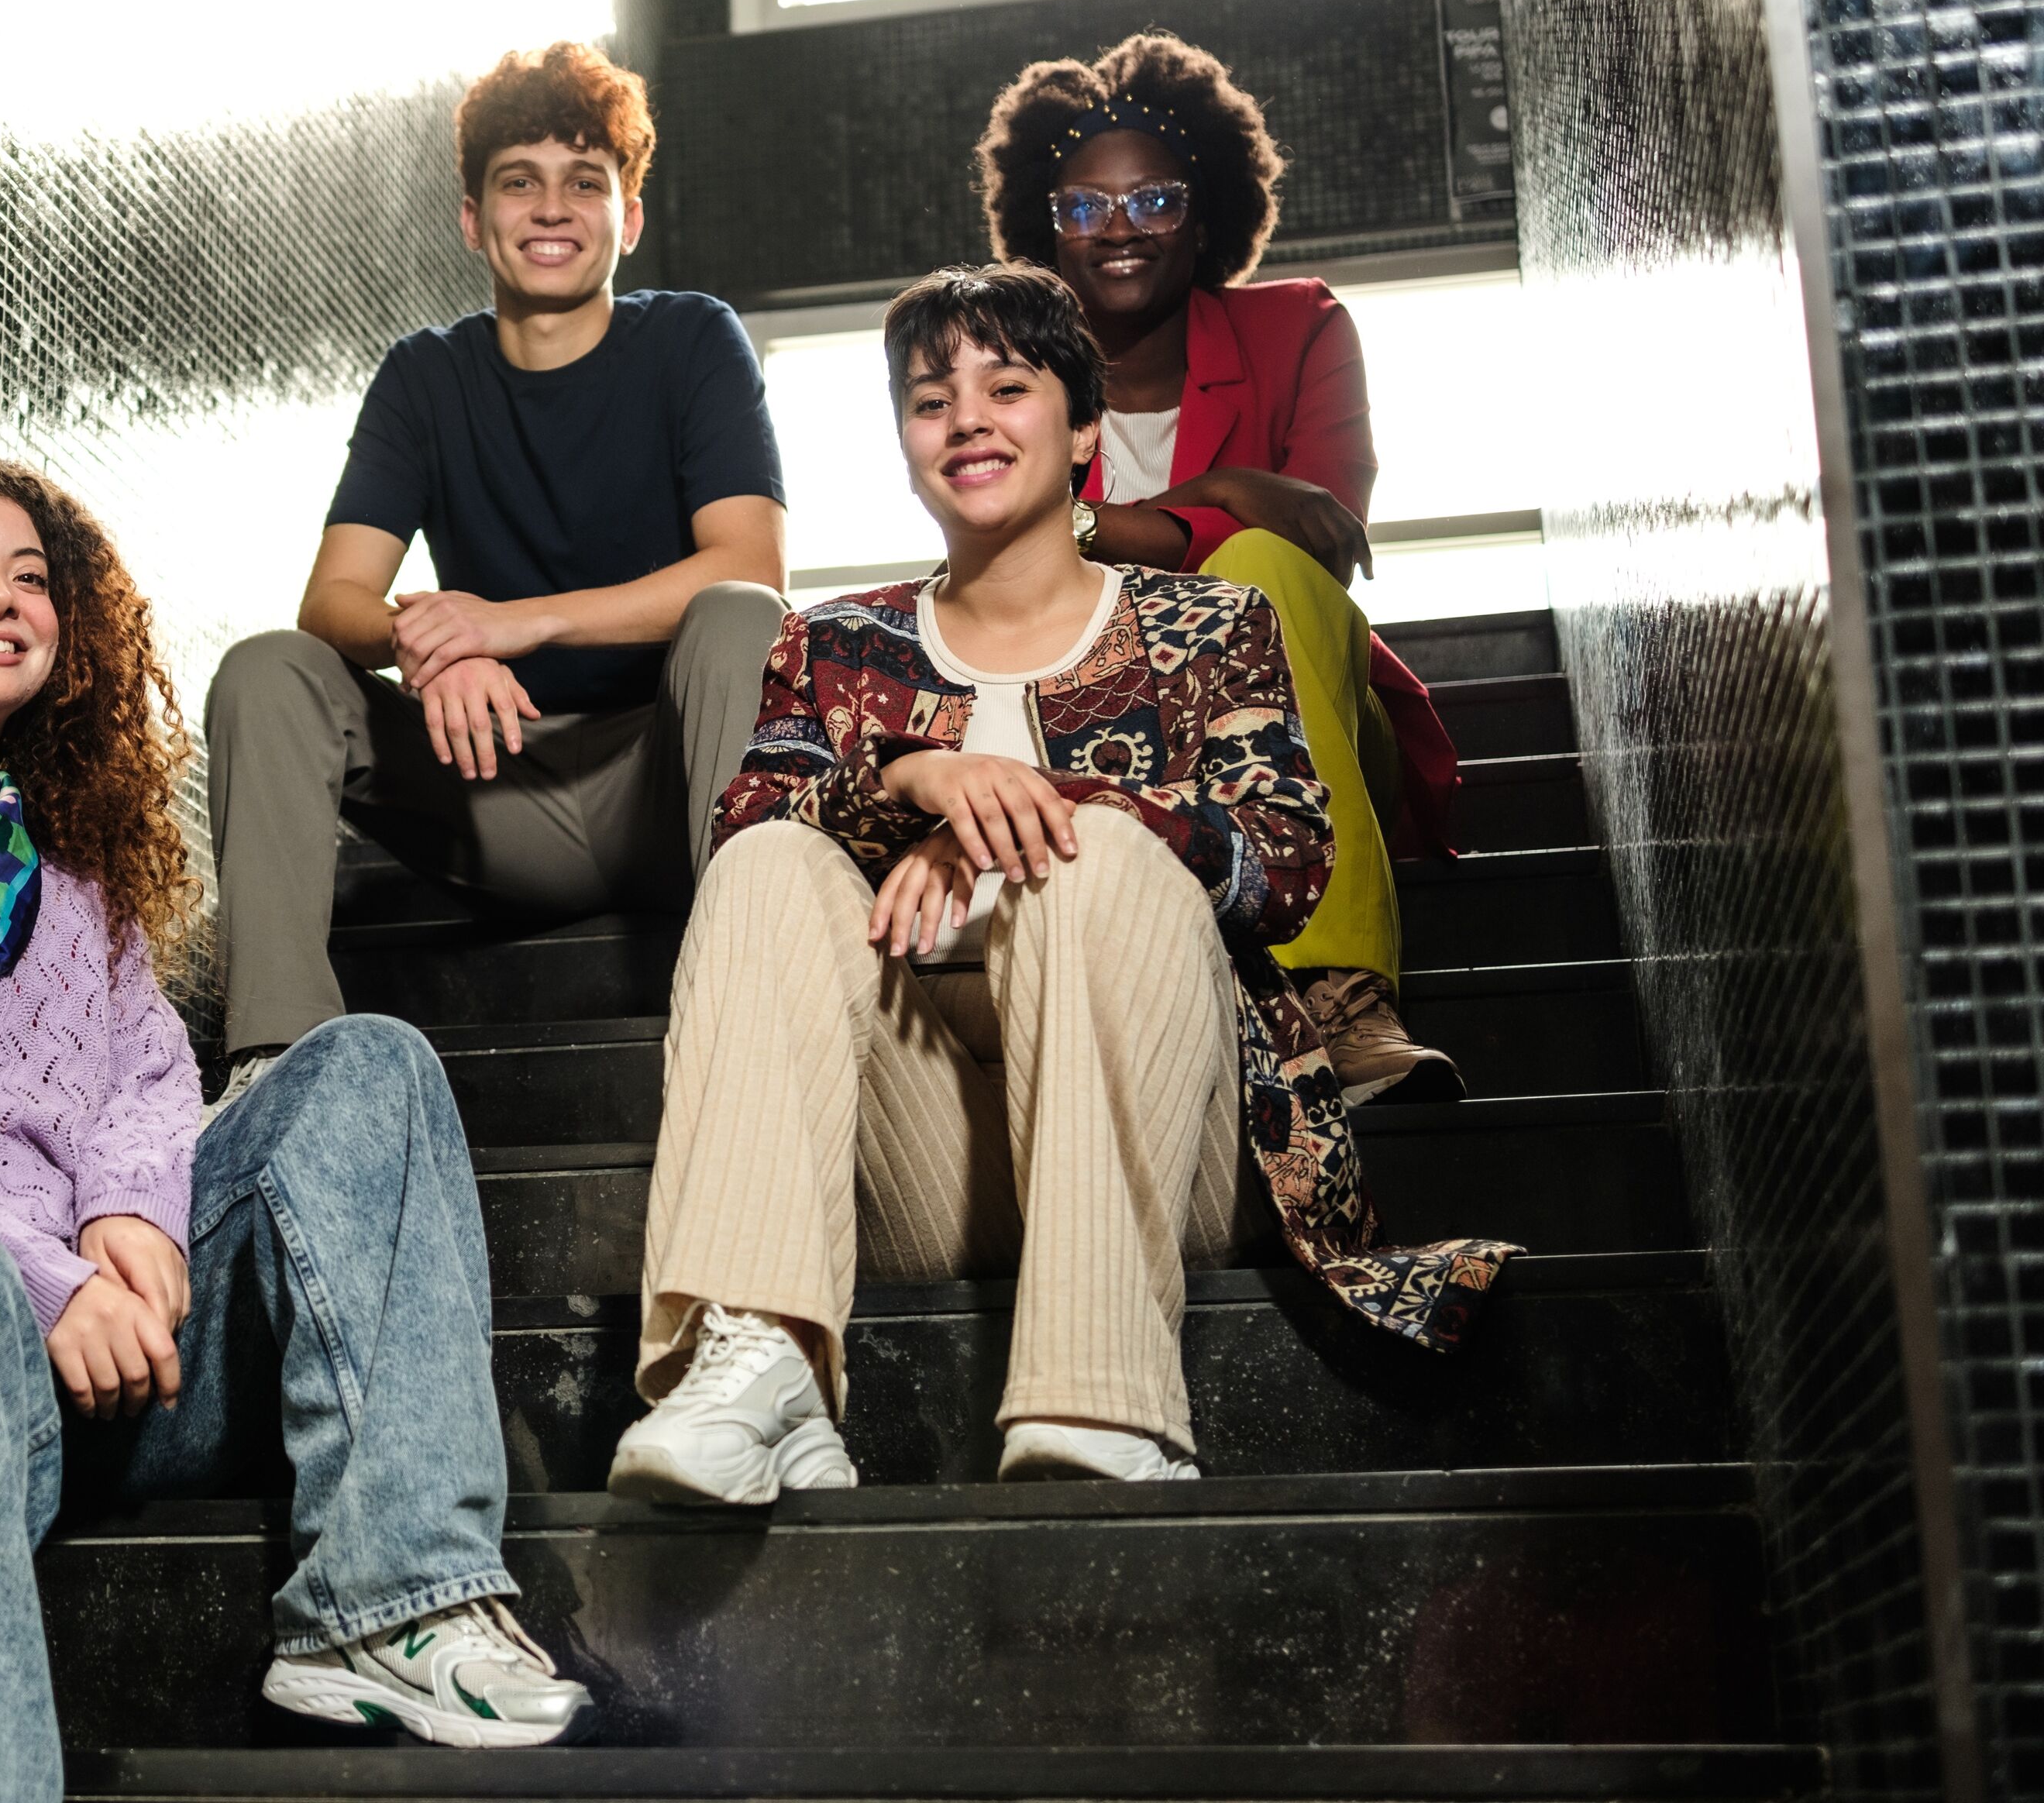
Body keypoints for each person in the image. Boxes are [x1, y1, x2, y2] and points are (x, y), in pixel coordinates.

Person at [0, 436, 591, 1799]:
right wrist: (51, 1277)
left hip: (96, 1370)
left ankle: (390, 1608)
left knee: (368, 1066)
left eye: (30, 578)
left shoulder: (79, 874)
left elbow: (150, 1081)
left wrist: (131, 1217)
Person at [607, 267, 1515, 1502]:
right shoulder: (834, 645)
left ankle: (1100, 1400)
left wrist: (1041, 813)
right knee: (770, 859)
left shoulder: (1210, 626)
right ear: (906, 443)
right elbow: (746, 818)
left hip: (1167, 1150)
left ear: (1084, 429)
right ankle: (763, 1360)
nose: (966, 417)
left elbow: (1286, 866)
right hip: (926, 1163)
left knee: (1092, 870)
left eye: (1007, 387)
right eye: (932, 400)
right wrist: (915, 778)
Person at [203, 41, 788, 1103]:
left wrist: (513, 623)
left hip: (669, 782)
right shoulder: (426, 377)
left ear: (631, 217)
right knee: (268, 669)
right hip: (491, 784)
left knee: (740, 615)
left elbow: (749, 563)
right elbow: (334, 600)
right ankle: (276, 1070)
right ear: (474, 220)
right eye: (520, 182)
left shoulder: (694, 341)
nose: (552, 208)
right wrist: (428, 645)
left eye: (584, 182)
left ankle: (756, 1021)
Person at [977, 33, 1465, 1103]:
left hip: (1314, 739)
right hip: (1125, 747)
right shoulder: (1011, 385)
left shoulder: (1300, 330)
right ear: (1042, 230)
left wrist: (1105, 527)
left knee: (1259, 567)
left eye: (1152, 201)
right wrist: (1237, 485)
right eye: (1083, 209)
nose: (1118, 232)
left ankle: (1340, 998)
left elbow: (1319, 538)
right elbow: (1008, 566)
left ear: (1206, 210)